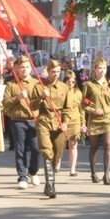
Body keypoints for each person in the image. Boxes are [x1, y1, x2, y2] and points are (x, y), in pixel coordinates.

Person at [2, 56, 42, 190]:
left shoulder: (37, 83)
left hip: (34, 120)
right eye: (22, 67)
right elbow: (5, 104)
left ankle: (33, 171)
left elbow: (41, 103)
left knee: (36, 149)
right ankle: (22, 176)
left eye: (27, 67)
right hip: (18, 120)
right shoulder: (11, 84)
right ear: (17, 68)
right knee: (20, 150)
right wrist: (17, 97)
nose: (24, 70)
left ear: (31, 68)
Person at [33, 60, 70, 198]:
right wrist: (42, 97)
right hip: (44, 121)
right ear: (47, 71)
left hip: (59, 123)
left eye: (58, 72)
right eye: (53, 71)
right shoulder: (39, 86)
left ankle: (49, 180)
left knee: (57, 154)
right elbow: (32, 106)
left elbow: (67, 108)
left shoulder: (64, 87)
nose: (56, 74)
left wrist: (65, 122)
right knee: (47, 152)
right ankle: (50, 185)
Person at [83, 57, 110, 185]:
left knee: (108, 145)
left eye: (104, 68)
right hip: (94, 119)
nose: (102, 71)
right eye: (99, 68)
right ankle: (93, 172)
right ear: (94, 70)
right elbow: (83, 104)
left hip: (108, 118)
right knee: (94, 146)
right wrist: (92, 110)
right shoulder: (89, 85)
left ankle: (107, 175)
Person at [57, 69, 84, 176]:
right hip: (63, 120)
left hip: (75, 120)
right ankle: (57, 164)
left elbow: (81, 109)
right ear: (65, 81)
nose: (71, 84)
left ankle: (72, 169)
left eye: (73, 82)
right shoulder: (60, 91)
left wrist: (83, 123)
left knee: (73, 145)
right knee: (61, 144)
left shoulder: (78, 93)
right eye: (69, 81)